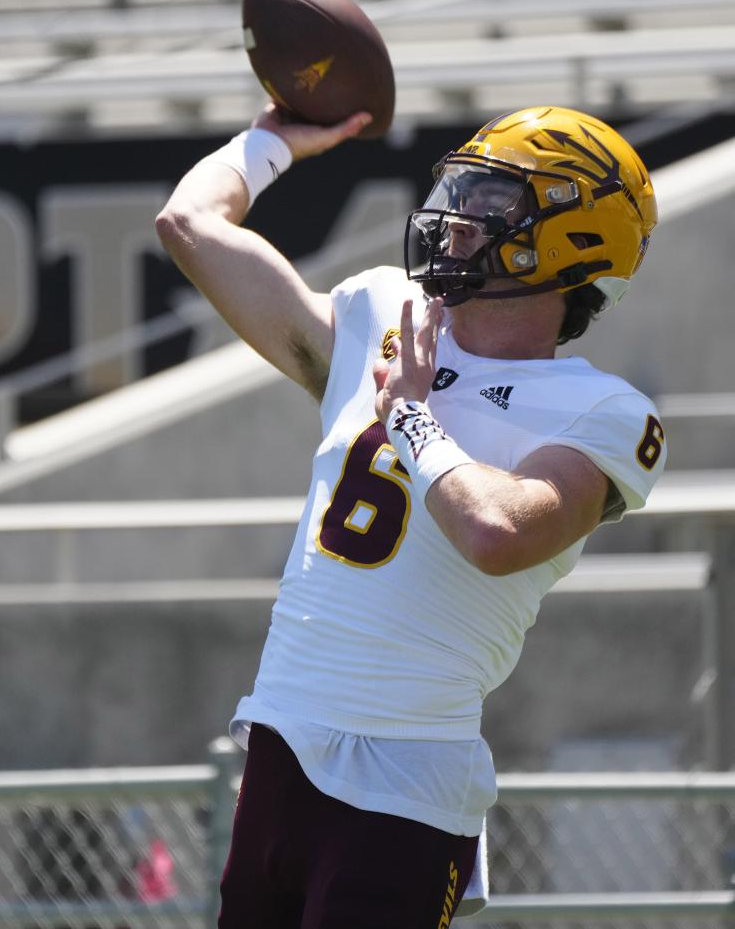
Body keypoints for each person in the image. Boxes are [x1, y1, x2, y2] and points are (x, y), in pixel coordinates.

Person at [155, 105, 667, 928]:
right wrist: (276, 138)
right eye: (461, 189)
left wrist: (412, 418)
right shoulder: (385, 315)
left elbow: (499, 533)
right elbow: (186, 223)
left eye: (495, 201)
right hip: (281, 747)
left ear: (575, 237)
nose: (458, 217)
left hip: (403, 782)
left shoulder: (602, 411)